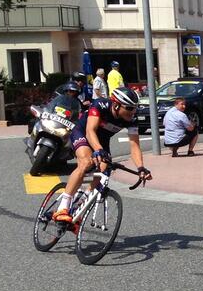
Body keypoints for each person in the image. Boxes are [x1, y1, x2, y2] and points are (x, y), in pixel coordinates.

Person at [51, 87, 152, 222]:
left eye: (135, 108)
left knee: (105, 171)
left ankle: (79, 206)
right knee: (86, 162)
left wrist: (141, 167)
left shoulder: (131, 119)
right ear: (116, 105)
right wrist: (98, 149)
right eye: (129, 108)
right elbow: (90, 131)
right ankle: (62, 207)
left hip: (103, 140)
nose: (132, 112)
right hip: (83, 133)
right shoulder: (100, 105)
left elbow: (134, 146)